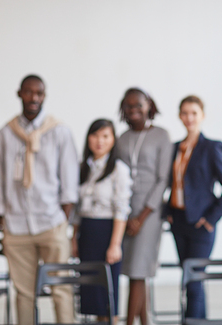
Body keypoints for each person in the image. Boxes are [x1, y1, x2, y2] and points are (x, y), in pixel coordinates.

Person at [0, 74, 78, 324]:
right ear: (19, 94)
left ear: (44, 96)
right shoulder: (6, 134)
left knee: (61, 289)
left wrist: (63, 218)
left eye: (39, 93)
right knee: (24, 293)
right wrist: (3, 217)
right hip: (17, 226)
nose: (34, 98)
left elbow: (69, 179)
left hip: (51, 223)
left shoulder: (59, 131)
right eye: (29, 92)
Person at [164, 95, 222, 318]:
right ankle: (191, 320)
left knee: (194, 281)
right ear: (179, 116)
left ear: (202, 116)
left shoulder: (211, 147)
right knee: (187, 279)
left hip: (201, 224)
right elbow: (166, 184)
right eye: (185, 113)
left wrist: (211, 219)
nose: (189, 118)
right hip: (179, 221)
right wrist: (168, 213)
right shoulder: (174, 148)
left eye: (194, 113)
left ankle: (195, 321)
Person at [117, 87, 173, 325]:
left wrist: (141, 216)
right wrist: (125, 214)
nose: (134, 110)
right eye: (129, 106)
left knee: (138, 272)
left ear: (148, 105)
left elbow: (163, 179)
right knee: (132, 269)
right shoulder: (121, 138)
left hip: (149, 213)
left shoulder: (161, 135)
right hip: (124, 212)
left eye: (138, 105)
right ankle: (144, 321)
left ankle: (129, 322)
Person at [72, 119, 132, 323]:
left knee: (108, 291)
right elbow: (77, 209)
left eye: (105, 136)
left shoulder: (118, 169)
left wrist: (115, 245)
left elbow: (121, 210)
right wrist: (74, 238)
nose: (100, 141)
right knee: (90, 293)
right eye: (95, 135)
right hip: (86, 232)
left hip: (107, 232)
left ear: (113, 140)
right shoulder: (83, 168)